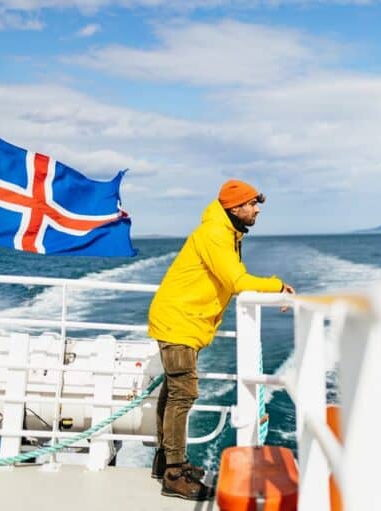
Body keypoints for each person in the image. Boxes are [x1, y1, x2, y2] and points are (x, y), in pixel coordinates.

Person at [148, 179, 295, 501]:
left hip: (184, 319)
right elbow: (237, 280)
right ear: (235, 207)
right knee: (183, 393)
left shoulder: (226, 231)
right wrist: (277, 285)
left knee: (173, 392)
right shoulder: (215, 233)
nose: (257, 209)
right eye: (252, 204)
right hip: (178, 320)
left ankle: (164, 461)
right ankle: (175, 473)